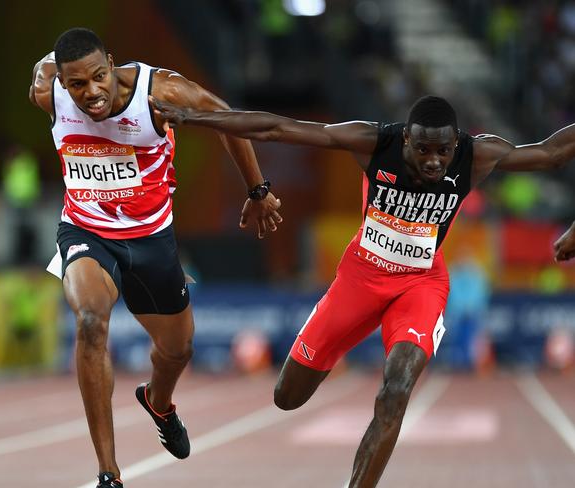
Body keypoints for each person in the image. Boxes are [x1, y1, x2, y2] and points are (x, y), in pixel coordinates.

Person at [150, 94, 575, 487]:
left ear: (455, 144)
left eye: (443, 152)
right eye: (423, 149)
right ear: (405, 137)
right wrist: (195, 118)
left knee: (397, 387)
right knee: (287, 397)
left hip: (421, 284)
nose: (433, 162)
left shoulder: (478, 154)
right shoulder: (374, 141)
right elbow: (277, 128)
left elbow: (553, 153)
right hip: (360, 277)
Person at [29, 28, 282, 488]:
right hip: (86, 231)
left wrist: (258, 190)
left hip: (151, 241)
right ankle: (109, 471)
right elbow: (43, 73)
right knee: (89, 321)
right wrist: (52, 68)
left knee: (178, 349)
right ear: (62, 84)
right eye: (78, 85)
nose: (92, 93)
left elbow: (227, 118)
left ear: (112, 62)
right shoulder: (49, 88)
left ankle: (159, 401)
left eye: (99, 77)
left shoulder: (160, 91)